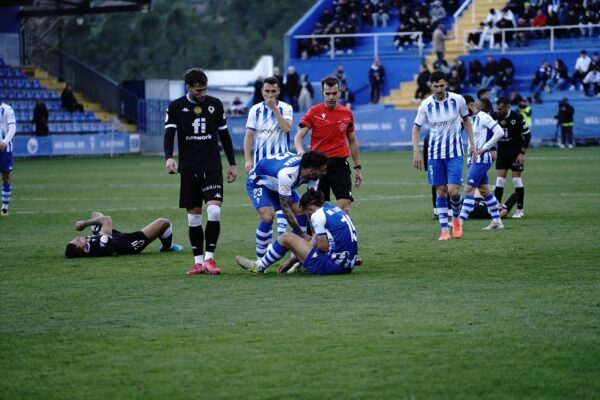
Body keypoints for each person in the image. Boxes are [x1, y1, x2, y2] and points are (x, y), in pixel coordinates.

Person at [164, 68, 238, 276]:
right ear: (188, 87)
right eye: (198, 90)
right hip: (188, 168)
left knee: (214, 210)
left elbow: (225, 136)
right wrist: (169, 157)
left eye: (204, 89)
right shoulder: (176, 107)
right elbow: (169, 135)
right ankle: (198, 263)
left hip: (212, 166)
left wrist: (232, 163)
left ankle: (210, 259)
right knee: (193, 218)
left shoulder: (215, 104)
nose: (202, 93)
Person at [412, 71, 475, 240]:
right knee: (440, 191)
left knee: (453, 192)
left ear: (446, 84)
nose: (438, 89)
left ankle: (455, 219)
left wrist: (473, 145)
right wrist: (417, 151)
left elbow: (467, 121)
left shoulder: (458, 100)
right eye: (435, 86)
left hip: (454, 153)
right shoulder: (425, 105)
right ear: (431, 86)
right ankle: (444, 231)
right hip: (434, 154)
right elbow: (416, 128)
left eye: (441, 85)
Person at [235, 189, 358, 275]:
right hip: (347, 266)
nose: (307, 216)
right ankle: (291, 263)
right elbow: (316, 241)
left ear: (309, 208)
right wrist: (292, 260)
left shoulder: (317, 215)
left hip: (332, 267)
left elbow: (323, 247)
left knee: (286, 237)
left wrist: (300, 253)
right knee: (303, 241)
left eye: (306, 213)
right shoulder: (334, 209)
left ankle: (259, 266)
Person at [294, 75, 362, 216]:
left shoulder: (347, 113)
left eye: (334, 93)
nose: (331, 97)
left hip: (340, 165)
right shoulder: (314, 112)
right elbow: (299, 136)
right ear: (322, 93)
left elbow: (353, 141)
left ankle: (342, 237)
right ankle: (315, 237)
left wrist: (357, 167)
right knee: (315, 209)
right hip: (318, 166)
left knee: (345, 208)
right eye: (328, 93)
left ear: (339, 92)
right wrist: (301, 151)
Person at [245, 151, 328, 262]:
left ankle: (298, 258)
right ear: (312, 171)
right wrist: (302, 234)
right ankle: (260, 261)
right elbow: (286, 210)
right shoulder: (288, 174)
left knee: (302, 211)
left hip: (280, 183)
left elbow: (311, 206)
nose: (324, 173)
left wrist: (314, 233)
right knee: (267, 217)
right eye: (322, 170)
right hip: (260, 182)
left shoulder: (312, 175)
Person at [244, 76, 294, 255]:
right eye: (267, 91)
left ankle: (291, 248)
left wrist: (274, 110)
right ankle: (262, 255)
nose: (270, 95)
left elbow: (287, 128)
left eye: (274, 91)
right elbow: (249, 136)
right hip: (261, 170)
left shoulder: (286, 108)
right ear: (262, 92)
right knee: (267, 216)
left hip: (281, 169)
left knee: (293, 210)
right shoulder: (255, 110)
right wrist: (248, 160)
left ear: (279, 91)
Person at [457, 95, 505, 231]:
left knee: (468, 189)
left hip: (482, 159)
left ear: (469, 105)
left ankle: (459, 221)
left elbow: (499, 132)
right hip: (473, 159)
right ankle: (497, 221)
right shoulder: (469, 119)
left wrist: (484, 148)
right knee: (484, 191)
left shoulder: (484, 117)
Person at [64, 211, 183, 258]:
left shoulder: (90, 247)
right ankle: (168, 247)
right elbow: (107, 220)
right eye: (78, 241)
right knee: (164, 223)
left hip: (114, 239)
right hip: (129, 243)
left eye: (74, 239)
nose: (77, 237)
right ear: (84, 249)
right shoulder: (102, 243)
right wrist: (85, 224)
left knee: (96, 214)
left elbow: (100, 220)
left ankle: (167, 246)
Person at [491, 97, 531, 218]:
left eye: (500, 108)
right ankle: (496, 208)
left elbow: (527, 135)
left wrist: (522, 153)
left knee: (516, 180)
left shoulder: (517, 117)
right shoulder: (493, 117)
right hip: (502, 152)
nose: (498, 111)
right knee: (499, 180)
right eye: (496, 108)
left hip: (515, 152)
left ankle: (520, 209)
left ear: (507, 106)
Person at [0, 98, 16, 216]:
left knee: (5, 177)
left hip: (5, 149)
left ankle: (4, 208)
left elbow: (12, 128)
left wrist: (4, 142)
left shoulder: (7, 109)